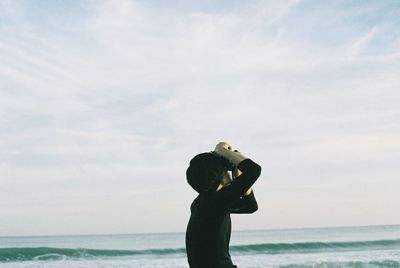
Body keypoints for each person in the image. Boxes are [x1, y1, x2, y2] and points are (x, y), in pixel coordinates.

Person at [185, 142, 262, 268]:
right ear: (218, 175)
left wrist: (239, 176)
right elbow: (254, 170)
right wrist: (221, 150)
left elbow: (250, 207)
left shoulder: (202, 204)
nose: (228, 172)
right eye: (226, 171)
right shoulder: (216, 201)